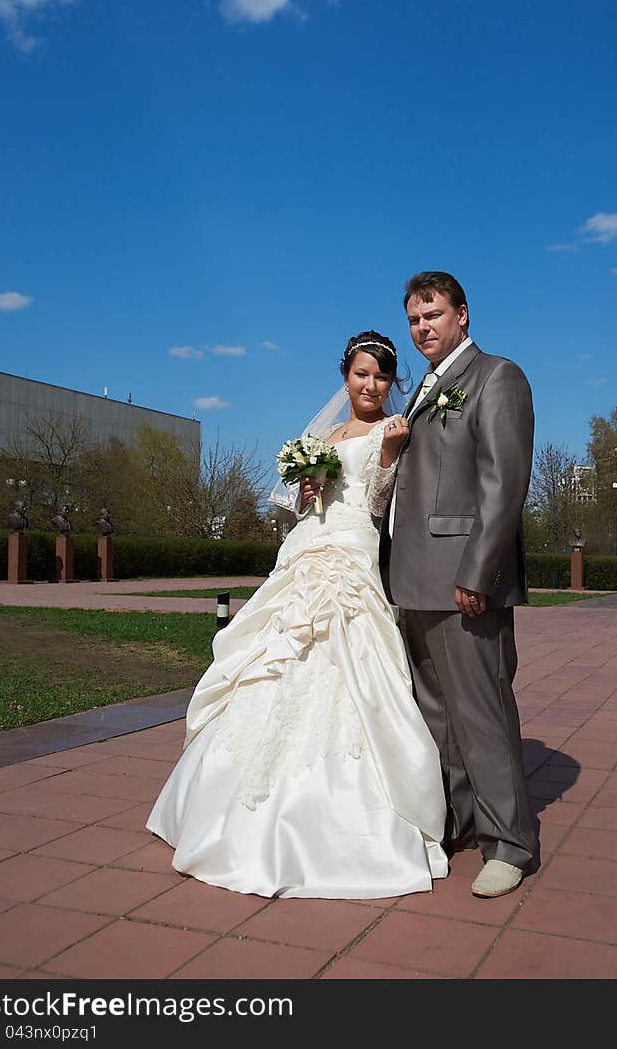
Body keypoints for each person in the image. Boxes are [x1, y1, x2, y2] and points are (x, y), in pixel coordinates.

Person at [146, 331, 448, 900]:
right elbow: (303, 498)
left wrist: (387, 454)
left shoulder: (397, 428)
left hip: (354, 548)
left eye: (382, 377)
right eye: (361, 375)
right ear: (345, 377)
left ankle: (350, 824)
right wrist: (307, 486)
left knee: (348, 656)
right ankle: (227, 809)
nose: (370, 385)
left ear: (393, 382)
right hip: (308, 545)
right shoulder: (327, 434)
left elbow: (382, 497)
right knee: (275, 655)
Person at [379, 271, 537, 898]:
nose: (423, 328)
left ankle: (511, 844)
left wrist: (479, 573)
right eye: (415, 319)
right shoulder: (423, 388)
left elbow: (504, 484)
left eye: (434, 315)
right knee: (436, 717)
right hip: (415, 578)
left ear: (463, 315)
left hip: (463, 582)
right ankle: (459, 822)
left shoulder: (498, 377)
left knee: (482, 711)